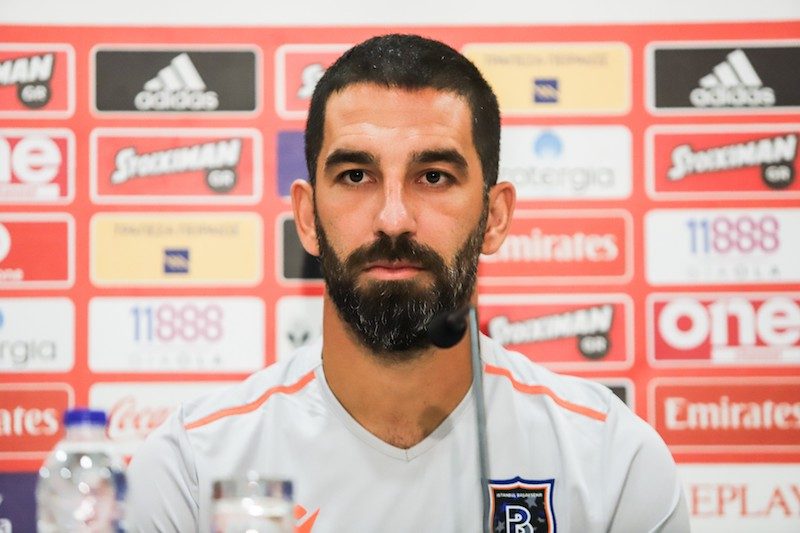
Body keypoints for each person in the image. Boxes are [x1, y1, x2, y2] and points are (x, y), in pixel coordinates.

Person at [127, 33, 689, 532]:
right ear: (307, 217)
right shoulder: (192, 469)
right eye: (356, 175)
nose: (393, 219)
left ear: (494, 218)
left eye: (433, 177)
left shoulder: (612, 463)